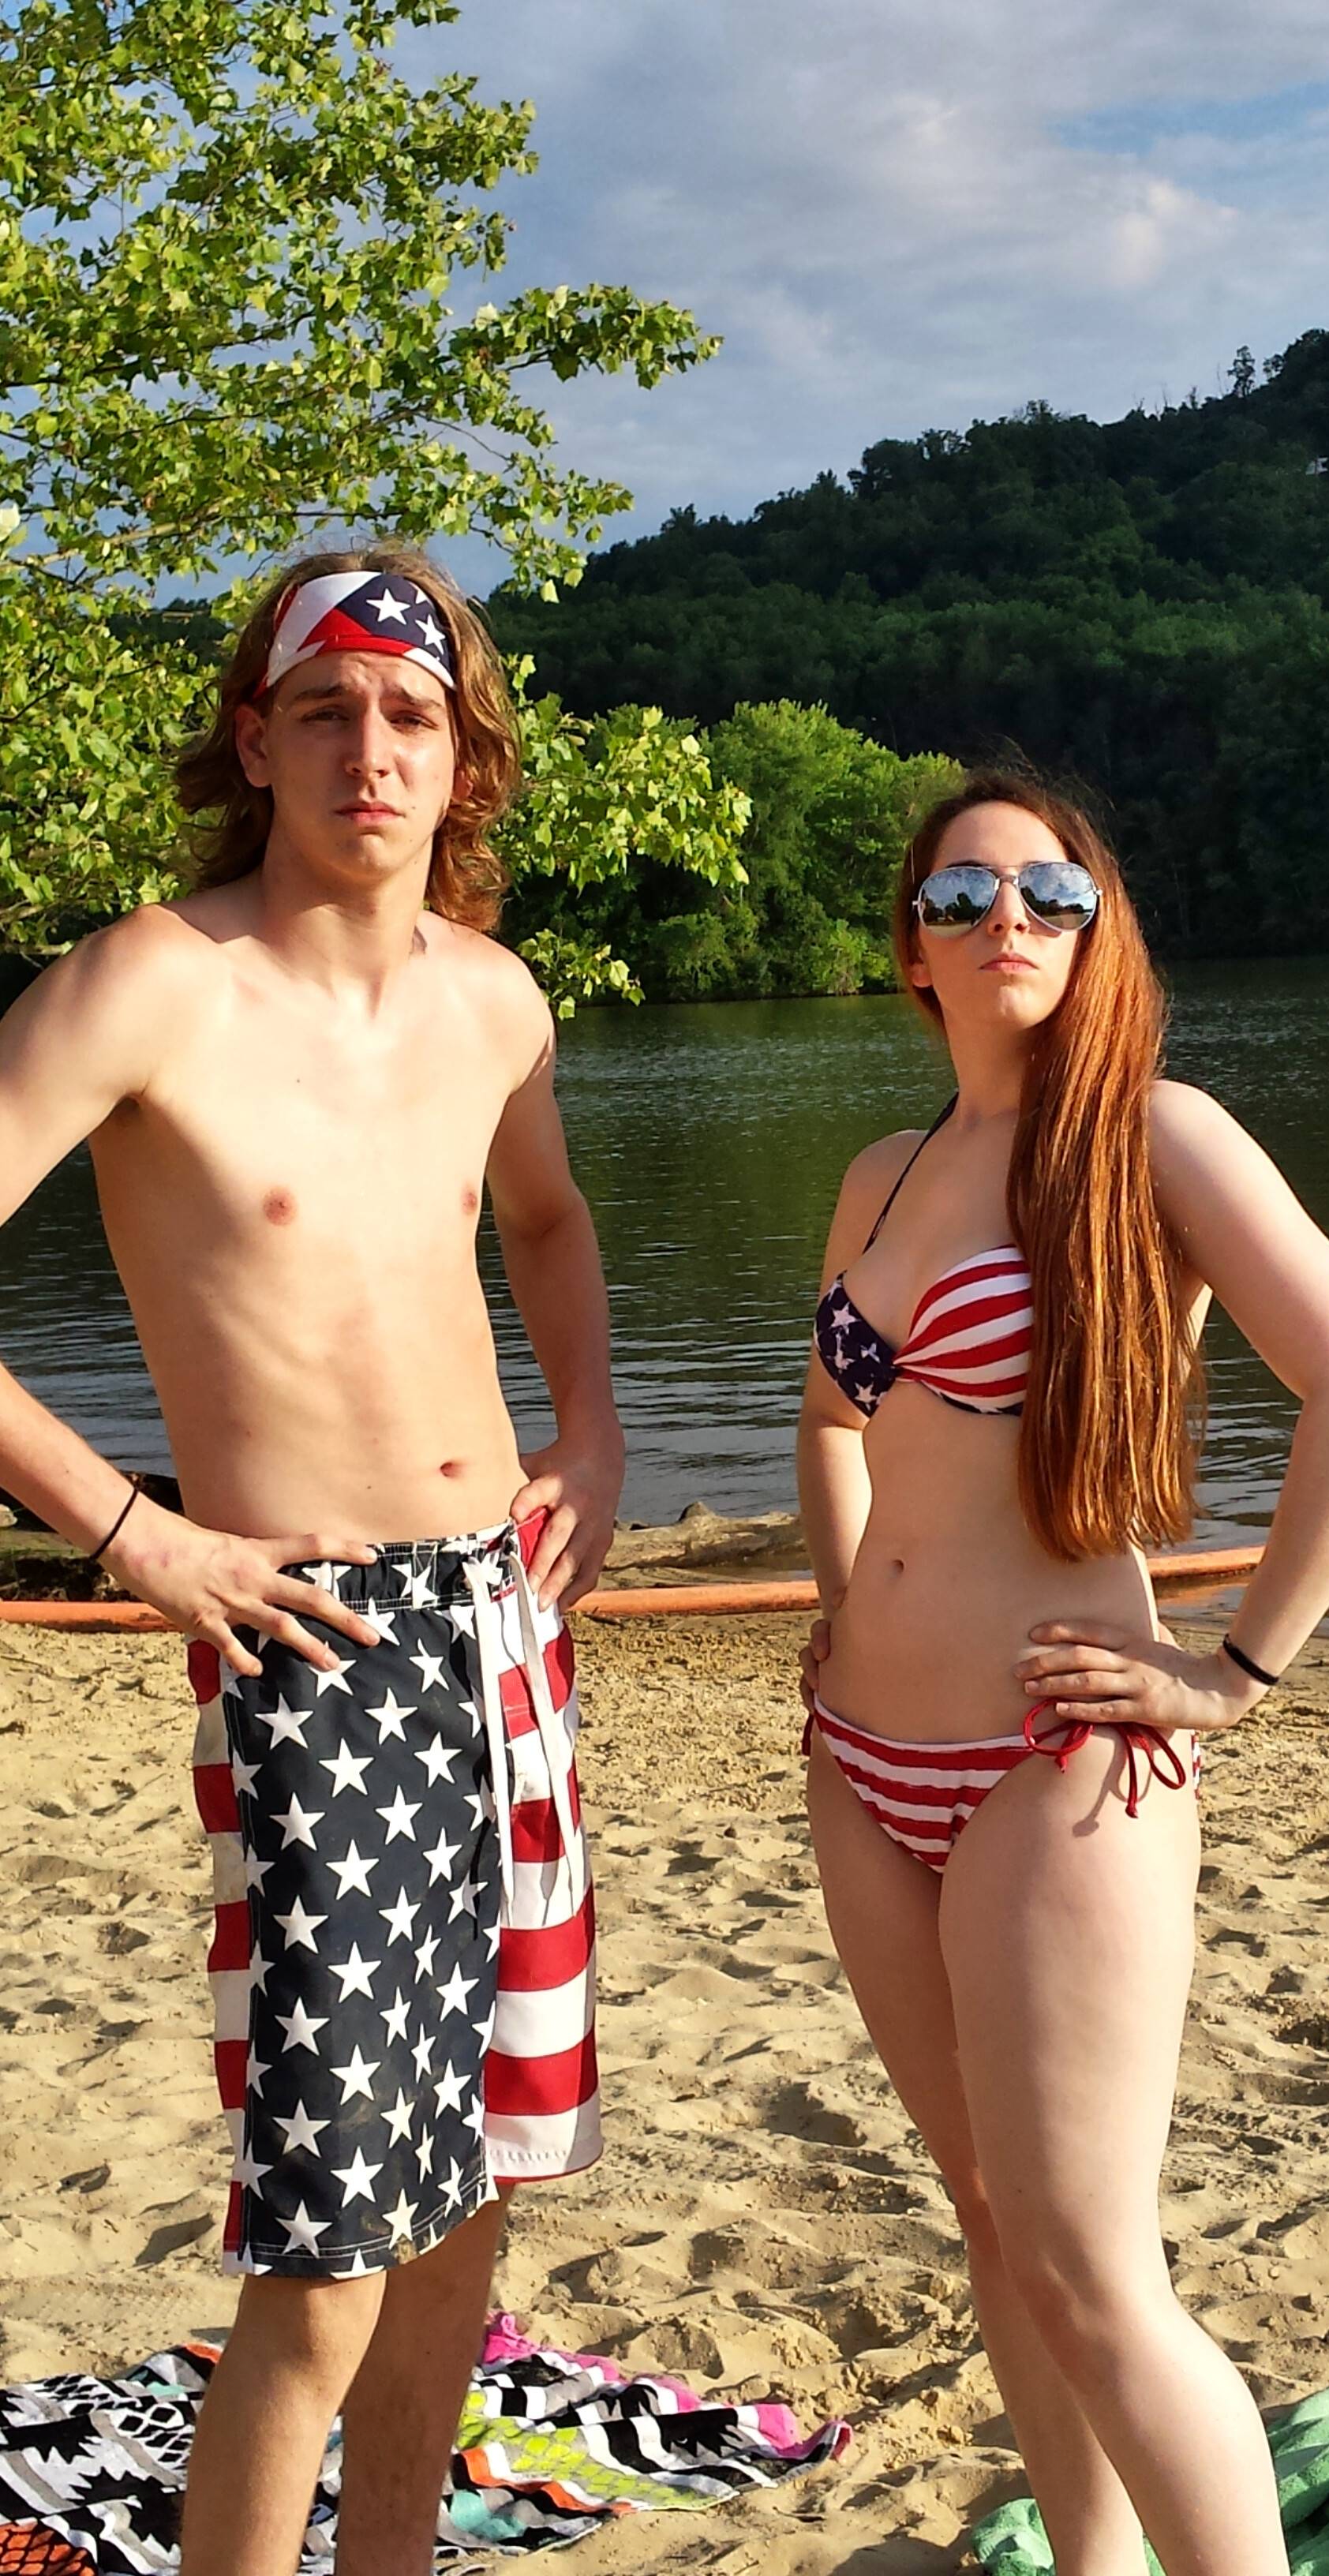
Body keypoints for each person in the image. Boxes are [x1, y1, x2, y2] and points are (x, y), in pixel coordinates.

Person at [0, 545, 623, 2576]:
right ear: (255, 742)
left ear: (466, 761)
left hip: (503, 1631)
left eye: (414, 715)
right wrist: (136, 1536)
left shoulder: (495, 1000)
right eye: (328, 709)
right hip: (316, 1649)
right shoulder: (153, 984)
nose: (374, 748)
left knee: (471, 2213)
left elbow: (546, 1223)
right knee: (334, 2252)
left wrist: (597, 1430)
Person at [796, 769, 1329, 2576]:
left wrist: (1236, 1668)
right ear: (911, 948)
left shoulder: (1156, 1136)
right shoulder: (883, 1172)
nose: (1007, 919)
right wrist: (840, 1604)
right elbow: (832, 1419)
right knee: (990, 2218)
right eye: (962, 895)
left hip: (1049, 1761)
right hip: (861, 1757)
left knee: (1092, 2263)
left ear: (1095, 930)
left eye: (1050, 893)